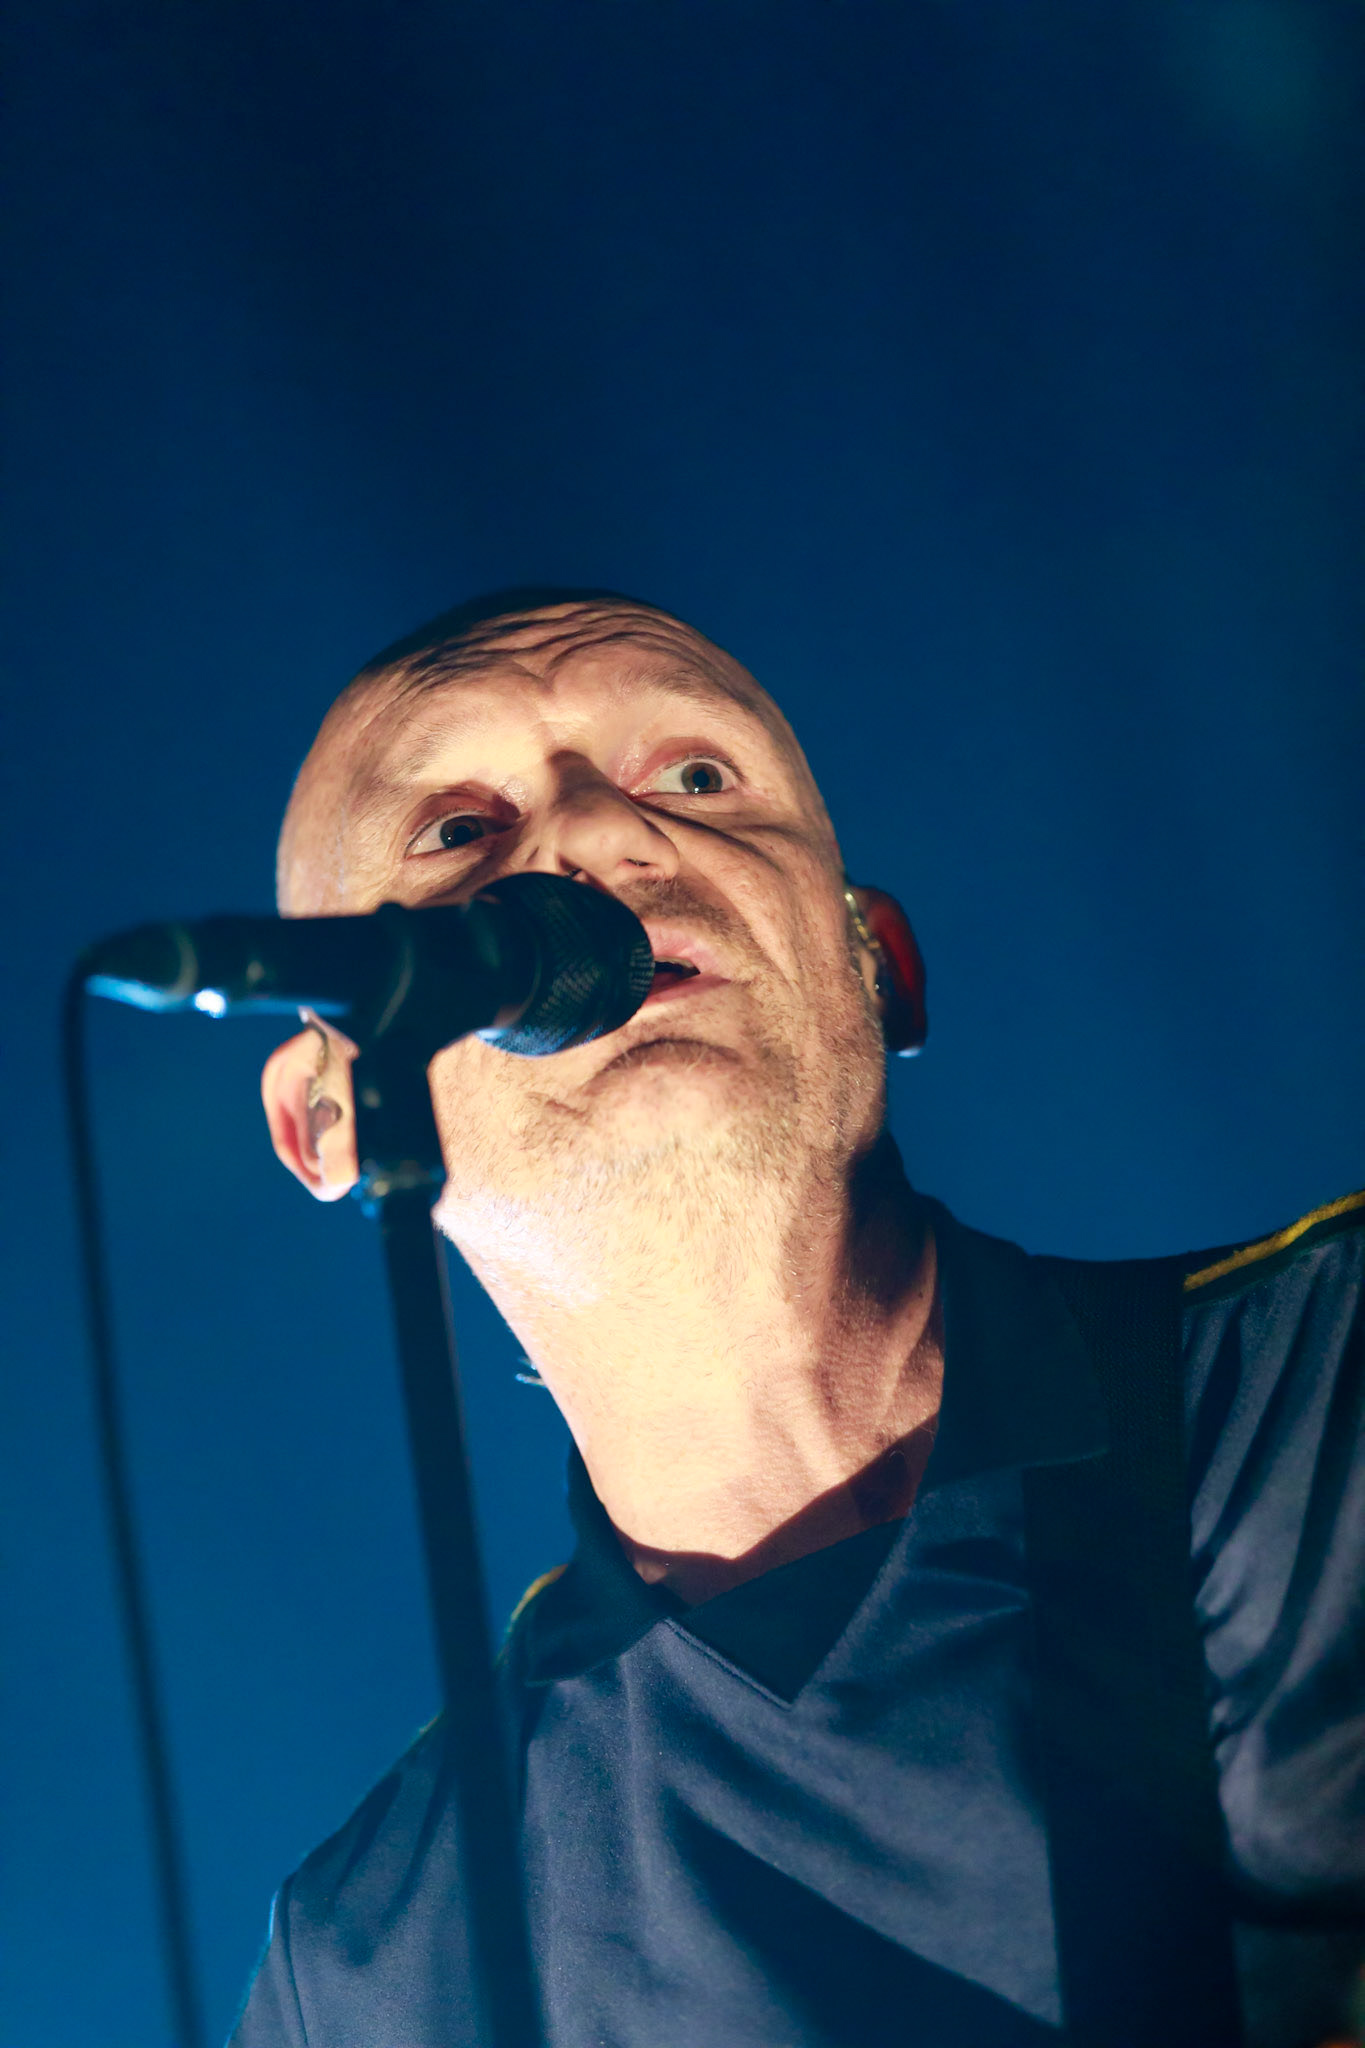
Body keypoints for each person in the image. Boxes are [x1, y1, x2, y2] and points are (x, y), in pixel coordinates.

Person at [235, 590, 1363, 2048]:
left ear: (874, 960)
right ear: (326, 1113)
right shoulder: (379, 1963)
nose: (590, 840)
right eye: (456, 833)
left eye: (693, 778)